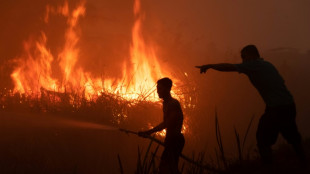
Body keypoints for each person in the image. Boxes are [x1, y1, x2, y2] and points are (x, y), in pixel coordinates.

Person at [196, 45, 305, 164]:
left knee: (262, 139)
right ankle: (303, 161)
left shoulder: (254, 65)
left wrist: (210, 65)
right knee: (292, 136)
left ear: (252, 55)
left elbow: (228, 67)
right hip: (288, 105)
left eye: (244, 57)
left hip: (276, 108)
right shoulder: (267, 65)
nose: (243, 60)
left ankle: (270, 168)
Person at [138, 77, 185, 174]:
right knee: (168, 168)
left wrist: (149, 132)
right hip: (170, 140)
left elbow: (167, 123)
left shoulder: (173, 104)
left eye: (160, 88)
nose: (157, 91)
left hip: (175, 140)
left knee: (167, 168)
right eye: (157, 88)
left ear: (168, 89)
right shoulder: (166, 103)